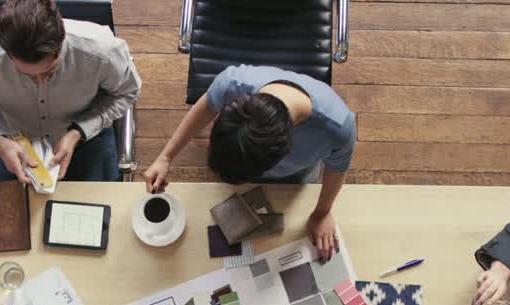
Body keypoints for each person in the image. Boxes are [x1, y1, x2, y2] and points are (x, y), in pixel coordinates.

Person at [143, 64, 357, 261]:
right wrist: (166, 157)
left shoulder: (338, 129)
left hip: (296, 175)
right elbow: (208, 105)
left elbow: (337, 170)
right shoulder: (232, 83)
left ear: (285, 152)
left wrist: (322, 213)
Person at [0, 0, 141, 184]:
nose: (40, 82)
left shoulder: (102, 50)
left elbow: (127, 92)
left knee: (98, 213)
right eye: (27, 76)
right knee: (5, 214)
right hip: (10, 141)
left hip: (87, 138)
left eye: (50, 72)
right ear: (6, 52)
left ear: (61, 42)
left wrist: (79, 132)